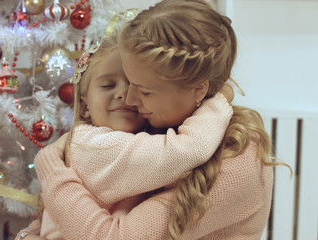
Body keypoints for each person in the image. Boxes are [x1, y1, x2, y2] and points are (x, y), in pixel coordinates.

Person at [16, 0, 284, 238]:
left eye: (144, 90)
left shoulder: (237, 156)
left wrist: (51, 169)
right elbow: (57, 216)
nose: (129, 99)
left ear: (199, 89)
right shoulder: (152, 128)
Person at [35, 36, 233, 239]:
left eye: (136, 86)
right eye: (108, 85)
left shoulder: (136, 139)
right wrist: (217, 99)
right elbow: (190, 148)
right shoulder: (94, 146)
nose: (124, 94)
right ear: (85, 107)